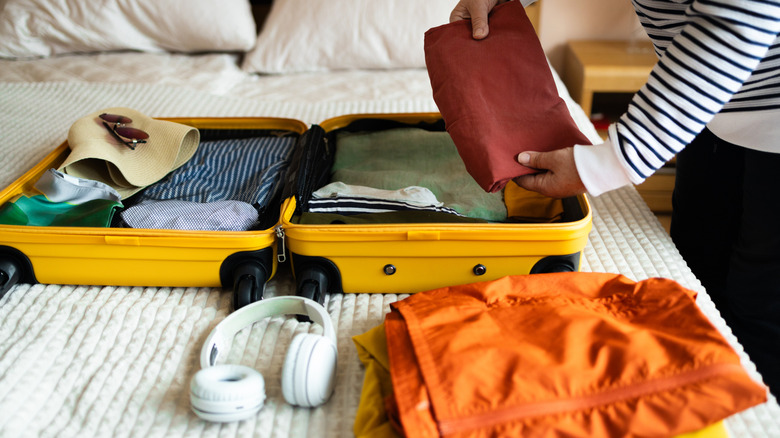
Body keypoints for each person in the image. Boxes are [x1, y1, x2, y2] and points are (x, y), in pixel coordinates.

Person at [449, 0, 780, 397]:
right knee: (696, 273)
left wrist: (610, 162)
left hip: (756, 98)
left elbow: (738, 17)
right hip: (712, 107)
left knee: (761, 308)